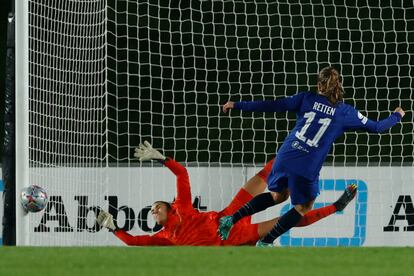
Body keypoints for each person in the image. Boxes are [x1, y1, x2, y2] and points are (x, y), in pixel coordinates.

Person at [218, 66, 405, 246]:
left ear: (319, 85)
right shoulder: (345, 112)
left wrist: (237, 104)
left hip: (285, 155)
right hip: (306, 166)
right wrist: (396, 116)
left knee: (277, 196)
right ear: (338, 85)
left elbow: (273, 105)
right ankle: (266, 241)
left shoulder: (305, 98)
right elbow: (378, 127)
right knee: (303, 207)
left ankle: (231, 219)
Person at [97, 141, 357, 246]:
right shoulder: (164, 238)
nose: (153, 211)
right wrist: (112, 228)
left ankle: (292, 154)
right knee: (292, 220)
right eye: (152, 211)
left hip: (228, 217)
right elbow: (132, 241)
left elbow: (182, 175)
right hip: (235, 238)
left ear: (169, 206)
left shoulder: (183, 208)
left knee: (258, 179)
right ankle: (337, 206)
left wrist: (162, 158)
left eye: (156, 206)